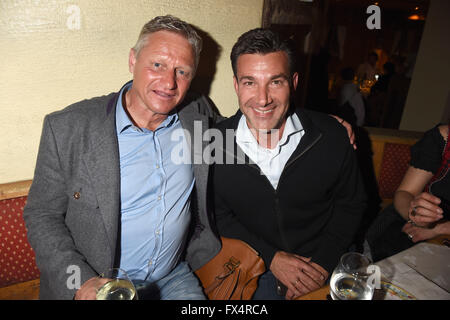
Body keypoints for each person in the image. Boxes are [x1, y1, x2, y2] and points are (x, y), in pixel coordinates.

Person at [23, 15, 222, 300]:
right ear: (133, 61)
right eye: (157, 65)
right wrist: (80, 281)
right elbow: (42, 215)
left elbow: (242, 142)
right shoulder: (68, 128)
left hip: (173, 276)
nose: (169, 82)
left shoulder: (197, 114)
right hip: (102, 283)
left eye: (183, 72)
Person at [211, 28, 367, 300]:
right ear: (236, 85)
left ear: (293, 83)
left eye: (275, 82)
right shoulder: (213, 144)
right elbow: (218, 215)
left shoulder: (331, 135)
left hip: (326, 258)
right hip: (258, 264)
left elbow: (351, 204)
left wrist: (320, 265)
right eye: (250, 82)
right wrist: (272, 258)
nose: (262, 99)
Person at [367, 123, 450, 262]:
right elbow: (405, 192)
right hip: (406, 226)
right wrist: (415, 215)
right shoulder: (443, 138)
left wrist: (439, 229)